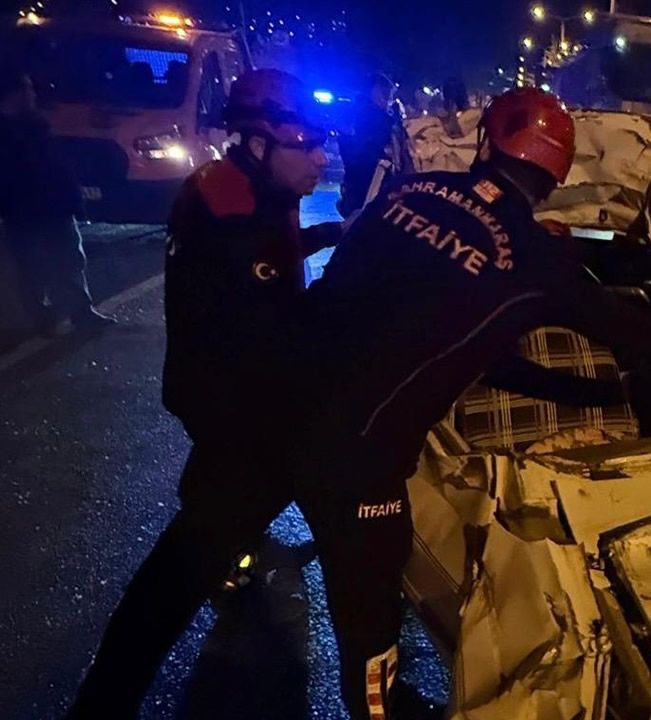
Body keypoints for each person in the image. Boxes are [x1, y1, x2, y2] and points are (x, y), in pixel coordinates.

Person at [295, 87, 651, 719]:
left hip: (284, 402)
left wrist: (605, 393)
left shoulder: (407, 194)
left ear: (487, 144)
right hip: (357, 460)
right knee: (370, 612)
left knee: (230, 548)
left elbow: (483, 357)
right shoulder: (531, 257)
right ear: (554, 177)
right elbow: (631, 330)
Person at [65, 68, 343, 719]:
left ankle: (232, 560)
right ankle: (101, 704)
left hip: (222, 398)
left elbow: (267, 262)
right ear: (258, 141)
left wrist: (326, 236)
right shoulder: (233, 207)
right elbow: (271, 316)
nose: (319, 158)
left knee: (207, 526)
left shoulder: (246, 187)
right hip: (240, 411)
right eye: (305, 144)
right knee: (177, 574)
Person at [0, 66, 113, 334]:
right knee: (32, 267)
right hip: (24, 210)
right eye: (26, 88)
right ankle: (42, 318)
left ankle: (80, 311)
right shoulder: (8, 132)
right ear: (12, 94)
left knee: (70, 259)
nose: (32, 94)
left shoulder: (37, 124)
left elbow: (58, 167)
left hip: (55, 206)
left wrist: (73, 198)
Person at [339, 72, 411, 218]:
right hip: (372, 184)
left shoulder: (356, 114)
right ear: (375, 91)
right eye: (386, 93)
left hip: (357, 185)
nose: (389, 99)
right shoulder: (378, 118)